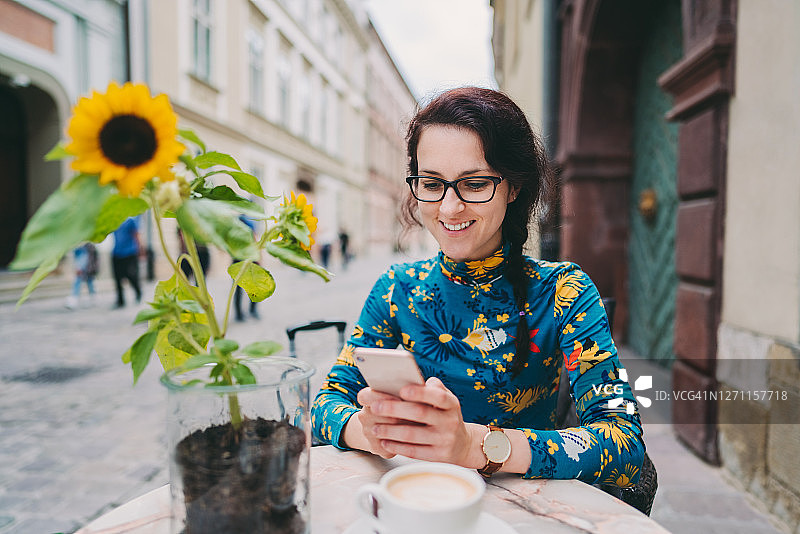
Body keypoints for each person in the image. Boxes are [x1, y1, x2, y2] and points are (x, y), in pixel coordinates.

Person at [311, 87, 645, 487]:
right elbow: (326, 403)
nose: (450, 209)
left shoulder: (564, 292)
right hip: (419, 500)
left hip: (524, 511)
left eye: (474, 184)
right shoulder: (396, 289)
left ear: (513, 186)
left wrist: (473, 445)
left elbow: (623, 444)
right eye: (432, 184)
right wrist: (369, 431)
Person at [112, 216, 142, 308]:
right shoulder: (115, 220)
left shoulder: (131, 220)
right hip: (117, 252)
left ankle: (138, 292)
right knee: (117, 278)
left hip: (130, 252)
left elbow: (136, 234)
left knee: (131, 275)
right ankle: (120, 300)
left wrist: (140, 248)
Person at [233, 215, 259, 321]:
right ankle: (250, 311)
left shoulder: (236, 228)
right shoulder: (249, 225)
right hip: (247, 259)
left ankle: (240, 313)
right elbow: (255, 241)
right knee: (252, 287)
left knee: (240, 288)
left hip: (240, 259)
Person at [65, 242, 98, 309]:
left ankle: (74, 299)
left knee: (82, 279)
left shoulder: (87, 247)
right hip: (79, 247)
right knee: (88, 281)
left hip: (84, 249)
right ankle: (93, 297)